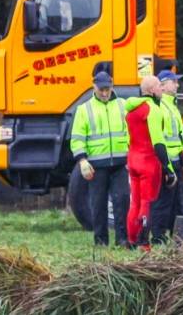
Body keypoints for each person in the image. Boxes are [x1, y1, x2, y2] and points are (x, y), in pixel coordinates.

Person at [68, 70, 130, 246]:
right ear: (94, 87)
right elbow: (78, 137)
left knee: (122, 200)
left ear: (112, 87)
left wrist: (131, 153)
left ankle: (122, 239)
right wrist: (82, 160)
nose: (104, 93)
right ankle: (101, 240)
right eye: (101, 89)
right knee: (98, 203)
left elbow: (131, 132)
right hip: (96, 165)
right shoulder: (84, 109)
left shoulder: (122, 105)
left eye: (107, 89)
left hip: (120, 163)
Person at [125, 75, 176, 249]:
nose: (162, 89)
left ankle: (131, 240)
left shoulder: (131, 109)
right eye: (159, 86)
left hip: (133, 160)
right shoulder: (152, 109)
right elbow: (158, 142)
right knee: (147, 203)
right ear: (152, 90)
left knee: (135, 203)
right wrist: (169, 169)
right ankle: (144, 243)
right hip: (148, 162)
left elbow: (129, 138)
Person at [150, 69, 183, 243]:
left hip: (176, 161)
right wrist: (167, 165)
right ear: (163, 84)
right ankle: (158, 237)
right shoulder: (161, 107)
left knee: (176, 202)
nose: (177, 84)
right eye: (173, 81)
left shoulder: (171, 106)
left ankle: (178, 236)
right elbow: (160, 139)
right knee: (163, 202)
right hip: (165, 162)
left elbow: (178, 138)